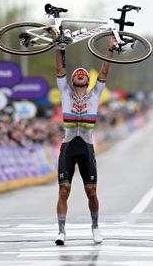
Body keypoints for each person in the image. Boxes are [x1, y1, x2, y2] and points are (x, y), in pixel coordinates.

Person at [54, 38, 114, 246]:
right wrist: (58, 47)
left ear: (88, 81)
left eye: (84, 74)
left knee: (91, 192)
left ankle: (95, 226)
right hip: (68, 146)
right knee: (63, 190)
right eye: (76, 74)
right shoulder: (64, 94)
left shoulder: (95, 95)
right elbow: (59, 69)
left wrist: (110, 49)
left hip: (86, 147)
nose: (80, 74)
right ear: (72, 80)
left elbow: (104, 72)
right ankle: (61, 231)